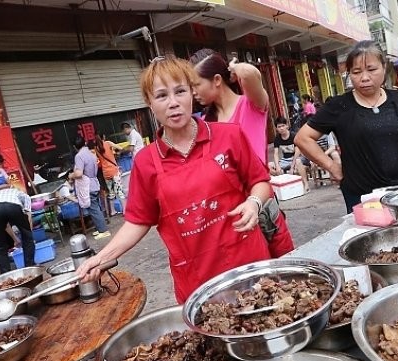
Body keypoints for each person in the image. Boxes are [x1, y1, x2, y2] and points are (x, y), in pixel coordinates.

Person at [76, 56, 272, 303]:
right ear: (150, 103)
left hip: (249, 266)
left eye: (180, 91)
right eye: (161, 96)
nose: (173, 103)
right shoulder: (146, 161)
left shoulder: (228, 135)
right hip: (198, 282)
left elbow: (262, 181)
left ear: (191, 92)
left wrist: (254, 202)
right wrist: (101, 258)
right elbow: (138, 221)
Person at [294, 40, 398, 213]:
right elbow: (302, 138)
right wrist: (331, 166)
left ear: (384, 67)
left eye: (371, 69)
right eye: (356, 72)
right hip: (365, 196)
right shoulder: (339, 106)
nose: (364, 78)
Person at [189, 48, 294, 257]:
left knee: (286, 273)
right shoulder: (204, 124)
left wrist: (233, 67)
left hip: (263, 208)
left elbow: (251, 74)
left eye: (196, 85)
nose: (193, 92)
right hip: (232, 214)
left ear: (217, 80)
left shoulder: (250, 105)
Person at [70, 137, 110, 240]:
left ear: (75, 147)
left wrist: (71, 175)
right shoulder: (92, 154)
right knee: (96, 206)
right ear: (86, 142)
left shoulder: (79, 156)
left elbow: (79, 173)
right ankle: (99, 227)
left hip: (87, 186)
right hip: (94, 183)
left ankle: (103, 230)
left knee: (94, 208)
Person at [0, 186, 35, 274]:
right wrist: (29, 235)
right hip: (13, 207)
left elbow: (5, 225)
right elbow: (28, 217)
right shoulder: (25, 196)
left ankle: (5, 273)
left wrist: (15, 239)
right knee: (28, 239)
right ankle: (30, 267)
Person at [273, 116, 310, 190]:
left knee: (298, 161)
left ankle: (306, 184)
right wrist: (277, 166)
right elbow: (276, 153)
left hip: (298, 158)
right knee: (270, 166)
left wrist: (292, 167)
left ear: (287, 126)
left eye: (283, 125)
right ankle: (285, 184)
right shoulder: (277, 138)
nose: (281, 128)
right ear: (276, 129)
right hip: (285, 160)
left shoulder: (294, 136)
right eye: (279, 127)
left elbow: (297, 152)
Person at [94, 133, 126, 216]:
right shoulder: (108, 143)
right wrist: (116, 153)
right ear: (103, 137)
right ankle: (125, 210)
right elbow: (120, 148)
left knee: (111, 192)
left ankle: (112, 211)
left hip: (106, 173)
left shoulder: (96, 148)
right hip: (114, 171)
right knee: (119, 191)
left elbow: (98, 162)